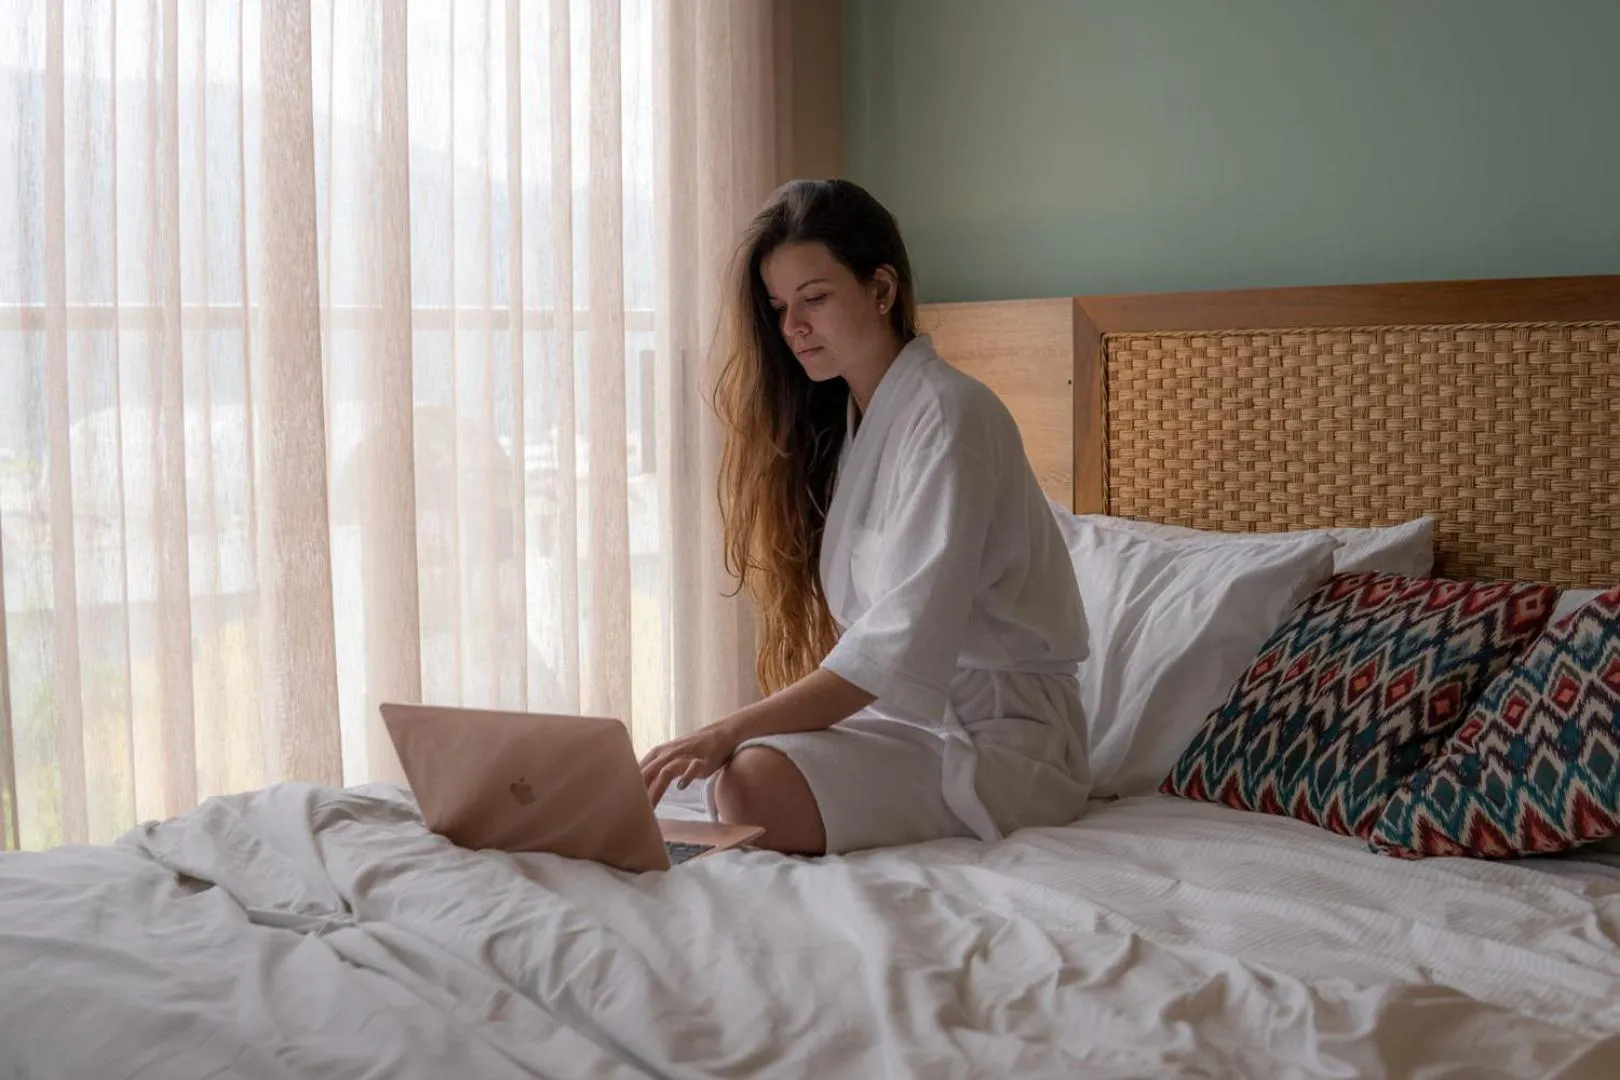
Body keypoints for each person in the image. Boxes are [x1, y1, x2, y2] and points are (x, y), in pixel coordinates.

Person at [639, 178, 1091, 856]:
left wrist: (722, 730)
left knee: (745, 778)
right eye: (781, 306)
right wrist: (723, 739)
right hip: (913, 724)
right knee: (724, 778)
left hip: (1004, 745)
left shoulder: (951, 417)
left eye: (814, 298)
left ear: (882, 290)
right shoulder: (863, 422)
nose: (793, 327)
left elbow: (887, 654)